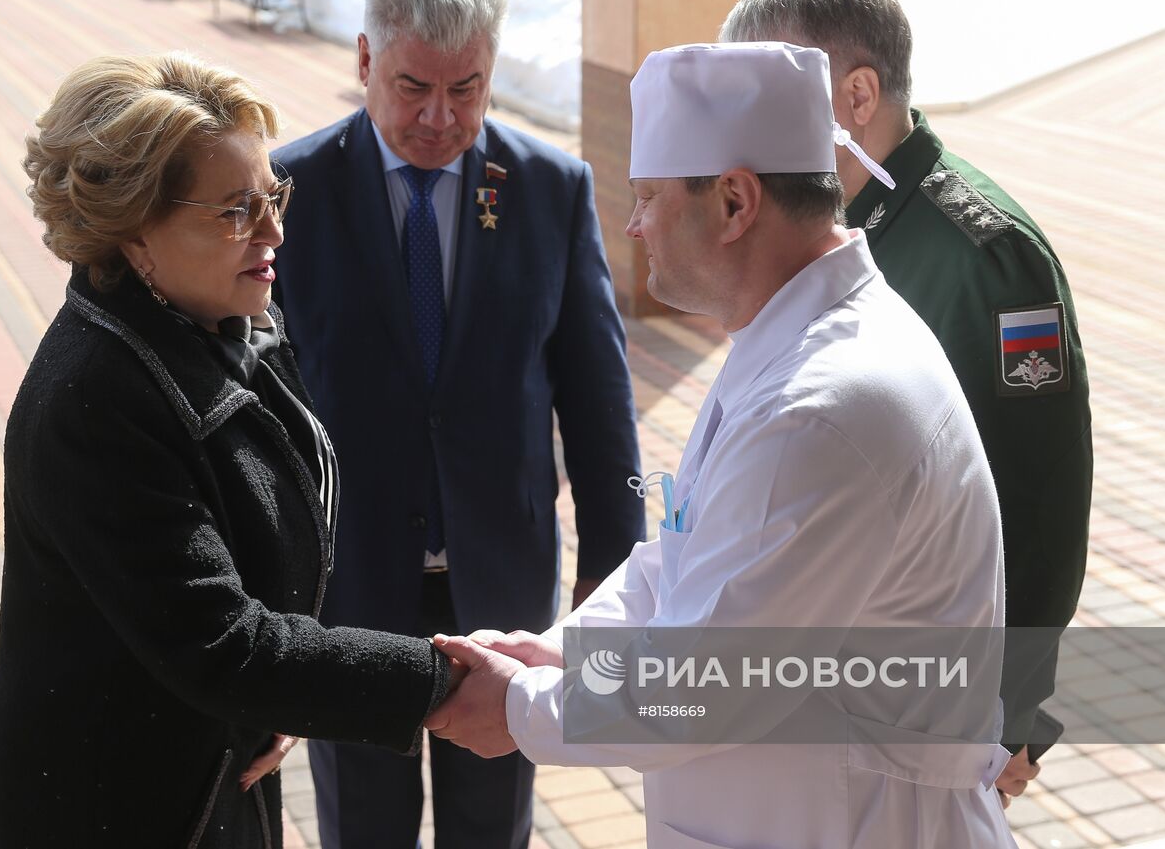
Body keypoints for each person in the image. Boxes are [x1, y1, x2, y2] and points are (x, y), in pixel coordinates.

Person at [425, 42, 1017, 849]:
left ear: (736, 201)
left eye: (646, 198)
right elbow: (685, 558)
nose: (633, 226)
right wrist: (560, 653)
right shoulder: (791, 344)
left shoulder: (820, 406)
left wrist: (521, 707)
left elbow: (705, 685)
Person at [0, 52, 455, 849]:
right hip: (120, 806)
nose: (273, 231)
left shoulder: (222, 322)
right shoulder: (94, 403)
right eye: (237, 211)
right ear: (135, 234)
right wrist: (442, 684)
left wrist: (284, 693)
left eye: (274, 197)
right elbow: (222, 643)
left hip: (207, 766)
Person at [271, 0, 644, 848]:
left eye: (466, 88)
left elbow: (599, 401)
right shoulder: (287, 193)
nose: (440, 117)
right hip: (350, 586)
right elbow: (257, 414)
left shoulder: (552, 189)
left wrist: (611, 578)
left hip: (501, 585)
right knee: (365, 824)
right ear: (365, 59)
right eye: (413, 87)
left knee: (492, 828)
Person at [718, 0, 1094, 805]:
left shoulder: (983, 255)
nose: (740, 123)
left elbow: (1041, 503)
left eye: (769, 88)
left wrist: (1015, 712)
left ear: (856, 95)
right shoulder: (821, 223)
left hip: (937, 715)